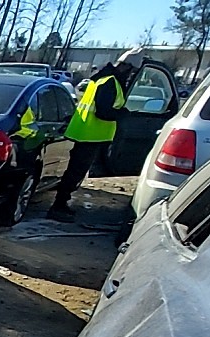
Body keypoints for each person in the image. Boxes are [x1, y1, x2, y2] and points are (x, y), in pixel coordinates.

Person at [47, 47, 146, 222]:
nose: (132, 75)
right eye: (133, 71)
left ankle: (61, 203)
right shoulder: (110, 82)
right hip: (90, 135)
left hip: (86, 133)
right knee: (75, 172)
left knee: (75, 171)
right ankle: (58, 206)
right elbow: (103, 112)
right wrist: (122, 113)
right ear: (127, 67)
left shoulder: (102, 78)